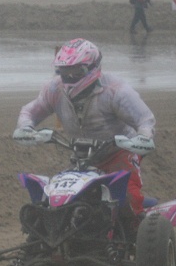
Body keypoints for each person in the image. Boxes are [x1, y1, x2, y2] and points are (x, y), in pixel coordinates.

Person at [13, 37, 156, 228]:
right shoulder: (55, 89)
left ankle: (139, 234)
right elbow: (30, 111)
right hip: (82, 155)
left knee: (128, 196)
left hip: (119, 152)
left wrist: (143, 138)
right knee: (57, 198)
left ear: (92, 67)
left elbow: (145, 119)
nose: (69, 76)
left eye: (75, 71)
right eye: (64, 71)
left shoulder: (115, 90)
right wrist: (26, 127)